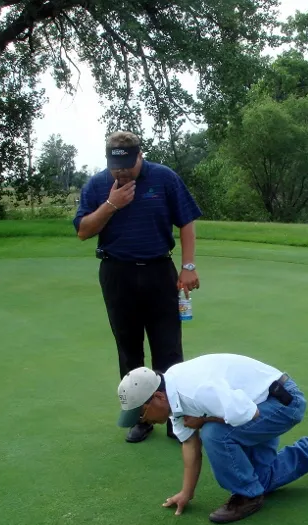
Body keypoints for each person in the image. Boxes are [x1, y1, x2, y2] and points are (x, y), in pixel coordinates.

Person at [73, 131, 202, 444]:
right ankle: (141, 417)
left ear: (139, 155)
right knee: (129, 350)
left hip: (159, 270)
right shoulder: (98, 185)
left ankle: (174, 416)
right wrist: (111, 204)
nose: (122, 171)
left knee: (168, 349)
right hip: (117, 274)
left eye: (128, 165)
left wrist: (188, 266)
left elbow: (186, 221)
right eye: (116, 166)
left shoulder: (164, 178)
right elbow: (83, 231)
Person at [116, 353, 308, 524]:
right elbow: (189, 443)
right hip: (259, 402)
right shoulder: (171, 394)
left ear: (157, 397)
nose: (143, 420)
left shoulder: (196, 390)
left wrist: (204, 420)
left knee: (215, 434)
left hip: (283, 403)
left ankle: (247, 497)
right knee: (260, 479)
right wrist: (186, 493)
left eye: (142, 413)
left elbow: (250, 413)